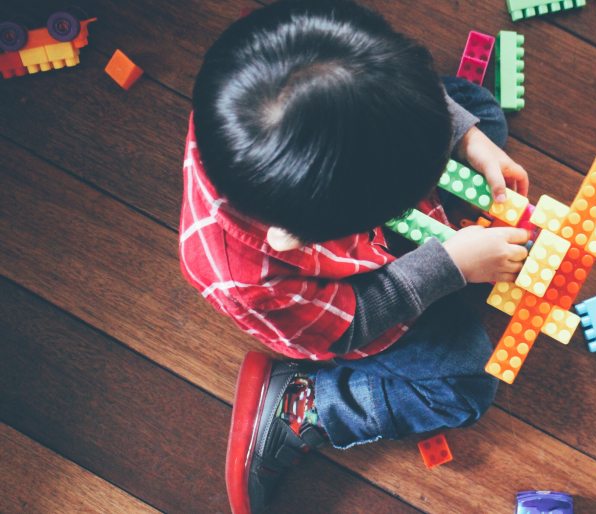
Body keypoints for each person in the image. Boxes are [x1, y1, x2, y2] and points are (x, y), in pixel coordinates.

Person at [181, 1, 530, 512]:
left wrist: (464, 135)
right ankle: (307, 403)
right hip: (364, 300)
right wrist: (449, 266)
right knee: (464, 386)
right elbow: (354, 322)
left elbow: (389, 89)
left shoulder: (267, 70)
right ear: (297, 237)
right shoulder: (254, 279)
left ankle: (437, 137)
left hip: (356, 171)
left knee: (480, 112)